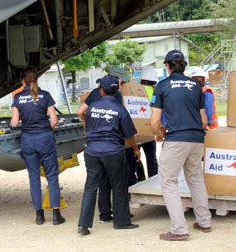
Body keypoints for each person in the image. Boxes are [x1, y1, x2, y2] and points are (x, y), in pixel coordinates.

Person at [151, 50, 211, 241]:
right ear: (183, 65)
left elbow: (155, 120)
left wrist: (158, 134)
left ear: (167, 66)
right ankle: (204, 221)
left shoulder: (162, 86)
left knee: (168, 181)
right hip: (196, 139)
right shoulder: (196, 85)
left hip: (176, 140)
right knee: (195, 179)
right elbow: (203, 121)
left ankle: (179, 229)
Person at [77, 75, 140, 235]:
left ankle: (83, 225)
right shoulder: (120, 109)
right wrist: (135, 149)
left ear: (102, 90)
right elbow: (129, 134)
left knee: (90, 186)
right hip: (112, 151)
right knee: (118, 185)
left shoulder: (92, 107)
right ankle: (122, 221)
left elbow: (85, 120)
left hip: (91, 152)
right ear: (115, 90)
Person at [10, 67, 65, 225]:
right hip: (45, 138)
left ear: (22, 81)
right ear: (36, 80)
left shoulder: (18, 97)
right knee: (52, 175)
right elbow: (54, 120)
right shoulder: (45, 95)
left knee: (34, 178)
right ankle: (56, 215)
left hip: (28, 139)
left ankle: (39, 216)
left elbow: (14, 122)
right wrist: (47, 130)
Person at [125, 66, 159, 186]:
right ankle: (141, 186)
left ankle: (149, 185)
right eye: (150, 83)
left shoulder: (153, 93)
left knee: (147, 160)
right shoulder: (133, 92)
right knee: (139, 160)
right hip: (140, 132)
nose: (151, 85)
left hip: (143, 132)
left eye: (152, 83)